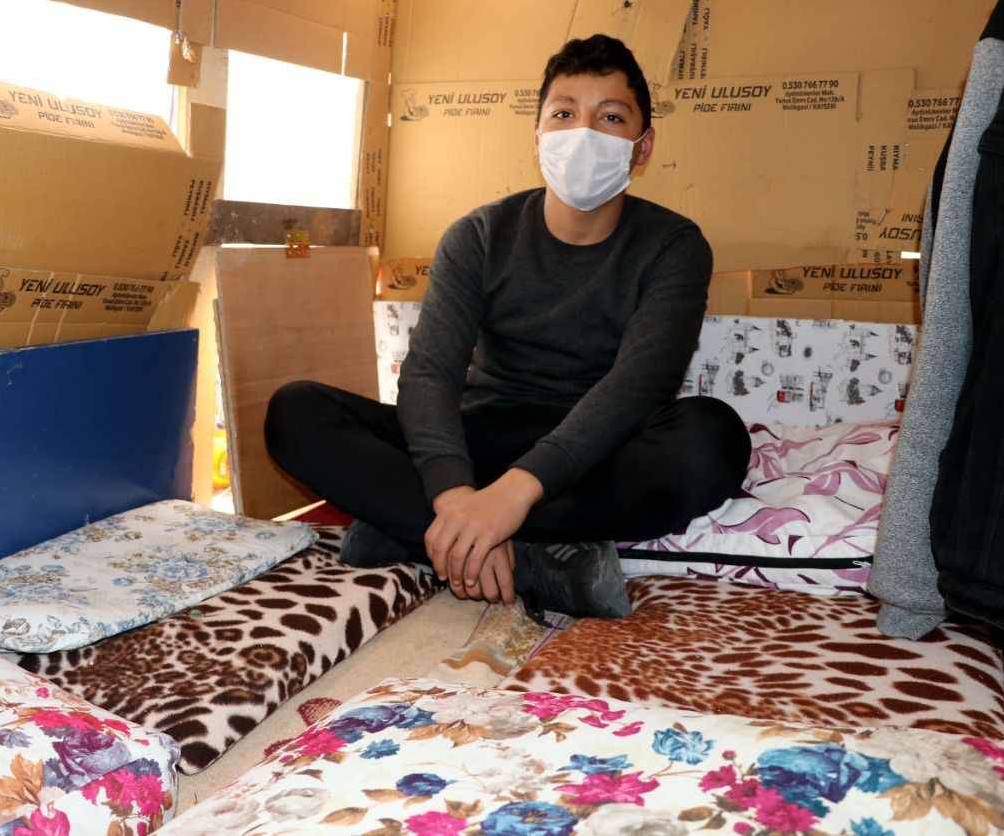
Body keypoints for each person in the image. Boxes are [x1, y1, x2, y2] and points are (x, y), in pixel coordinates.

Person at [265, 34, 751, 619]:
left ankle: (412, 531)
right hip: (481, 443)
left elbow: (640, 386)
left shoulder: (674, 246)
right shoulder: (479, 235)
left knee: (713, 439)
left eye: (610, 117)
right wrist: (455, 495)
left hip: (592, 456)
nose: (583, 133)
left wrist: (514, 497)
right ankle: (523, 557)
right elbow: (429, 375)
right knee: (296, 411)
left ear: (641, 147)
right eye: (564, 114)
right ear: (538, 135)